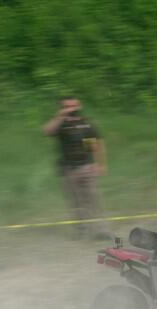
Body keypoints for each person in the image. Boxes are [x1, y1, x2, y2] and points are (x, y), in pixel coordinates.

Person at [42, 96, 109, 238]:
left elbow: (95, 145)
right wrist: (60, 116)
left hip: (86, 167)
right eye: (67, 106)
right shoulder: (61, 124)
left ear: (79, 106)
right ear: (62, 108)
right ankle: (81, 230)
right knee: (75, 201)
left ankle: (100, 230)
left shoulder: (86, 124)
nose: (71, 109)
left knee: (94, 199)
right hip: (69, 169)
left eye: (74, 106)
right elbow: (47, 131)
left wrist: (99, 163)